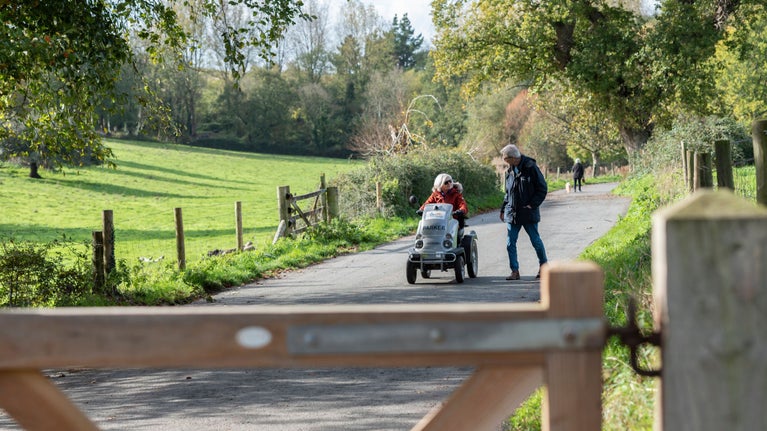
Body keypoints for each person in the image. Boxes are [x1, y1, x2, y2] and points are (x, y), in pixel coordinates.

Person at [499, 144, 548, 280]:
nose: (504, 162)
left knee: (535, 241)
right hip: (512, 213)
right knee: (510, 243)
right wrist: (503, 209)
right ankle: (515, 271)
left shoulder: (531, 168)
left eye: (505, 159)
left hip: (528, 213)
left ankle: (544, 267)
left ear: (513, 158)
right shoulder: (509, 171)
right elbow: (507, 193)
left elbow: (542, 188)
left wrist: (532, 205)